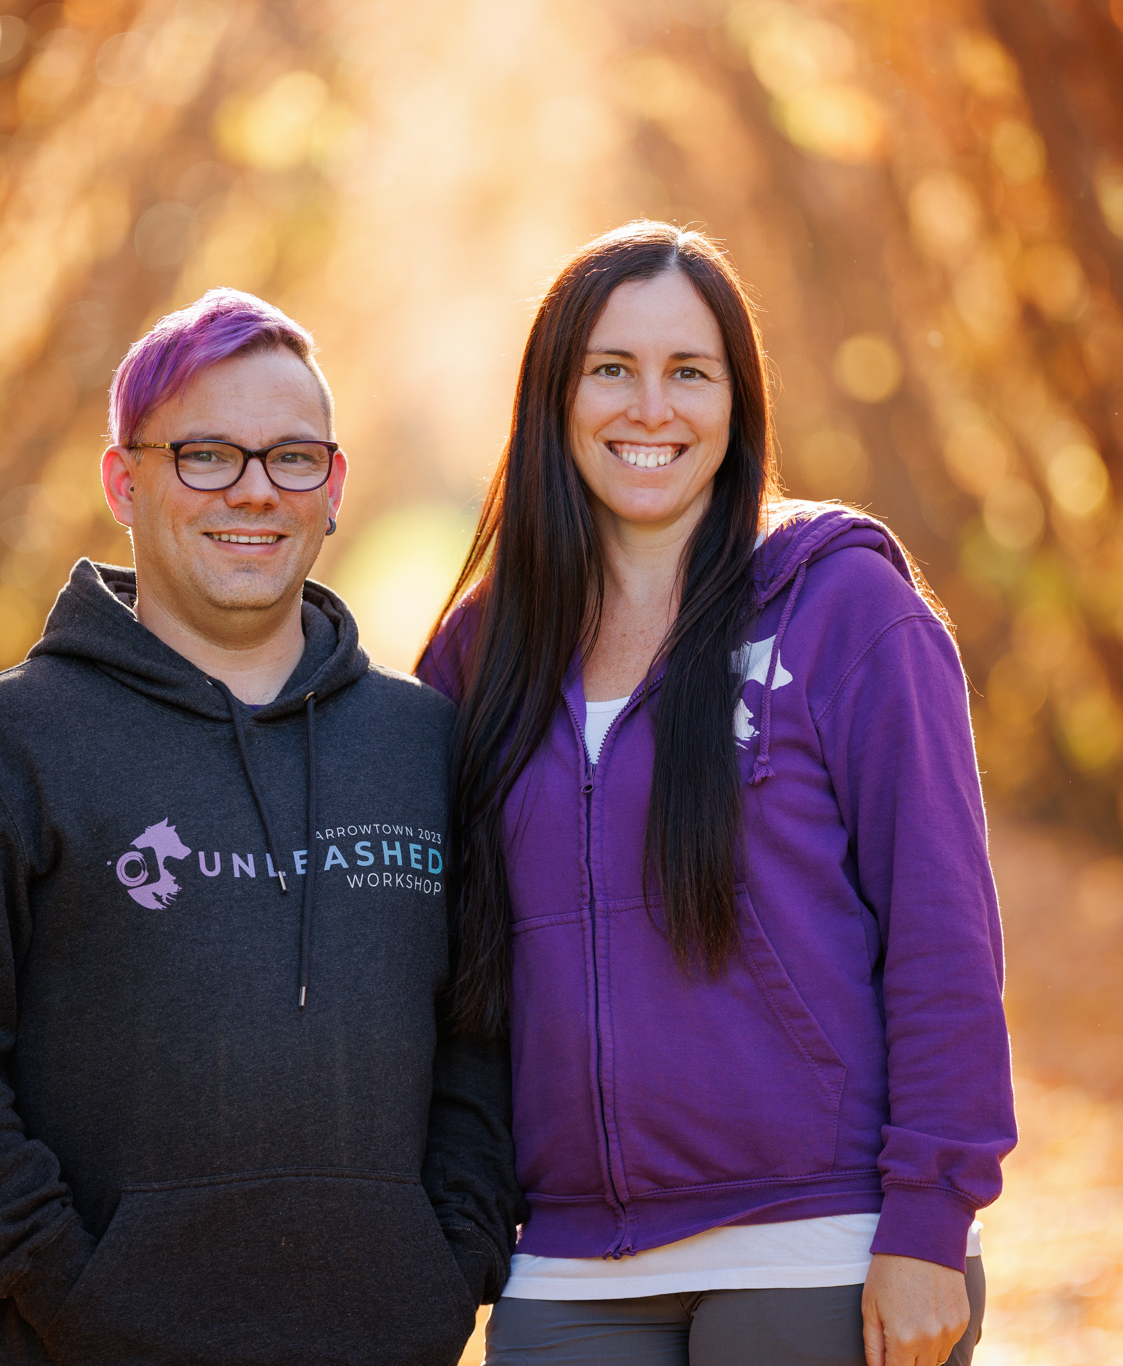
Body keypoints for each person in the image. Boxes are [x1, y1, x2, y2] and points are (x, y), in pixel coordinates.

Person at [0, 288, 522, 1366]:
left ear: (333, 488)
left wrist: (446, 1274)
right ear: (124, 481)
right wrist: (77, 1293)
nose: (253, 490)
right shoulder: (2, 748)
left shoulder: (426, 747)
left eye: (291, 458)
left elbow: (483, 1046)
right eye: (205, 455)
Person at [417, 224, 1015, 1366]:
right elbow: (439, 971)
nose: (652, 408)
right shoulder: (479, 655)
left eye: (689, 372)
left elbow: (941, 930)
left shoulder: (843, 609)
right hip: (567, 1265)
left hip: (819, 1245)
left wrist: (930, 1221)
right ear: (555, 396)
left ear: (737, 402)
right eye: (611, 368)